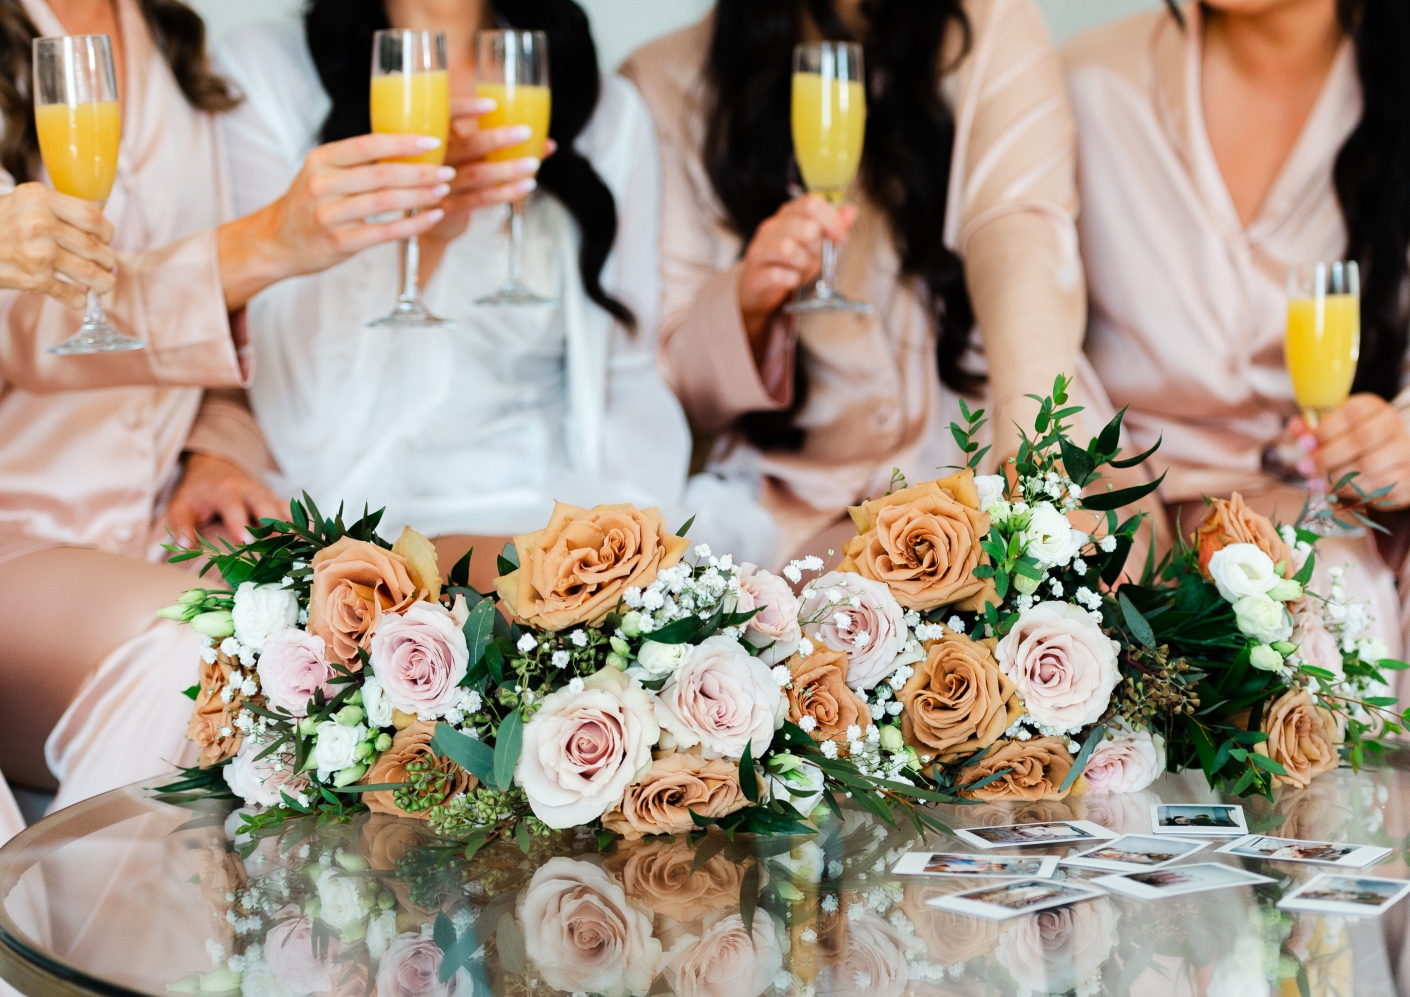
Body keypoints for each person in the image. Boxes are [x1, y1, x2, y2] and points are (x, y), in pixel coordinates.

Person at [0, 0, 472, 838]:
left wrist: (214, 452)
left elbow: (218, 362)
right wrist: (266, 243)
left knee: (361, 621)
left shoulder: (177, 48)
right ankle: (77, 947)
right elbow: (31, 327)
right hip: (20, 537)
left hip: (159, 527)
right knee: (207, 655)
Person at [1065, 0, 1410, 752]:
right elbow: (1033, 348)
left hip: (1351, 488)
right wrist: (1111, 491)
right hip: (1156, 492)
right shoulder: (1088, 83)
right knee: (1320, 584)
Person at [215, 0, 773, 569]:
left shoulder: (605, 110)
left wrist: (632, 534)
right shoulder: (266, 73)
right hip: (355, 502)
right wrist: (427, 239)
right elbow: (279, 390)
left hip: (554, 504)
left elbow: (626, 377)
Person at [619, 0, 1130, 566]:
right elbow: (663, 381)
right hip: (793, 503)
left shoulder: (991, 24)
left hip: (984, 445)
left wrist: (1033, 451)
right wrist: (746, 306)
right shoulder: (661, 80)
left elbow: (1020, 236)